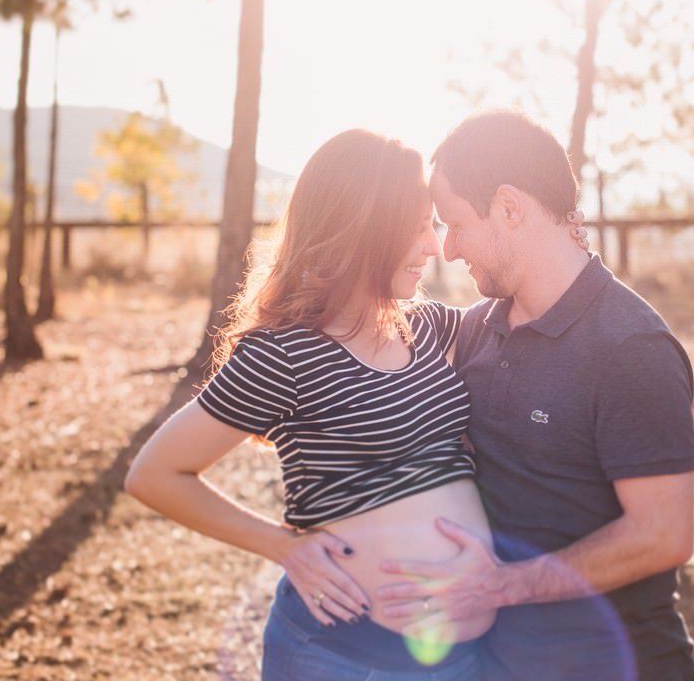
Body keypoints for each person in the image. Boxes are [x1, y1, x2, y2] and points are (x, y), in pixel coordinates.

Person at [125, 128, 587, 681]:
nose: (435, 247)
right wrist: (283, 547)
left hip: (461, 662)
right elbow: (154, 474)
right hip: (340, 659)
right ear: (363, 228)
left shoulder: (434, 328)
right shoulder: (283, 354)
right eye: (417, 226)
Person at [376, 111, 694, 681]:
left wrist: (502, 586)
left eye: (456, 224)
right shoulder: (474, 329)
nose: (448, 251)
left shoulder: (631, 347)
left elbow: (664, 535)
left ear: (509, 207)